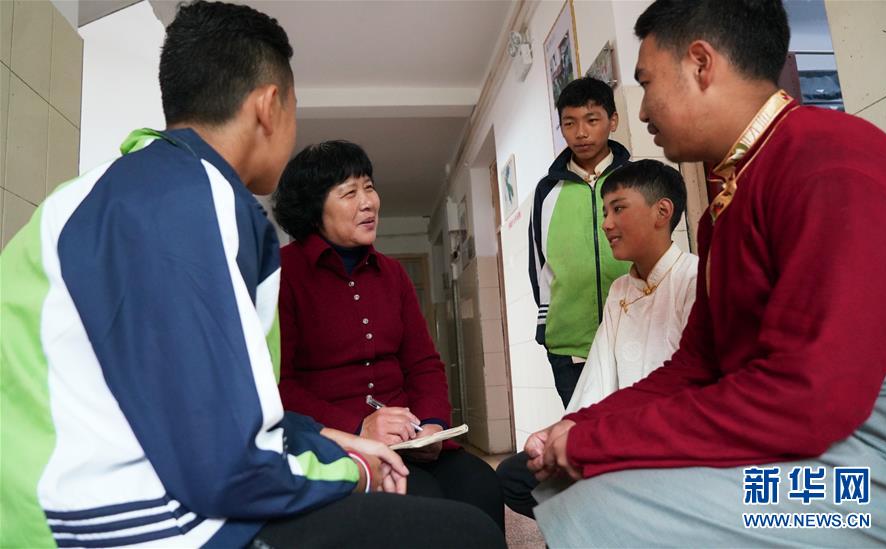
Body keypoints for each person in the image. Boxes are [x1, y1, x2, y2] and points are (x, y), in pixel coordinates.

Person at [0, 3, 505, 548]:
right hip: (105, 524)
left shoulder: (79, 198)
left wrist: (341, 438)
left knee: (467, 495)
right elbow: (228, 462)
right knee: (464, 534)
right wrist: (355, 465)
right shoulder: (202, 201)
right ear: (269, 106)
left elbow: (216, 408)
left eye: (369, 188)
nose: (367, 202)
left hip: (32, 509)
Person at [527, 1, 886, 546]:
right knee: (564, 481)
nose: (643, 111)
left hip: (874, 444)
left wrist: (599, 442)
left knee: (602, 504)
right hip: (795, 418)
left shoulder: (831, 160)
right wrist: (581, 426)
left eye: (647, 83)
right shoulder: (726, 203)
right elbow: (697, 365)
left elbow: (810, 397)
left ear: (701, 63)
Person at [274, 140, 505, 531]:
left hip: (410, 436)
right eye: (350, 193)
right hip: (339, 442)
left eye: (369, 187)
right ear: (314, 208)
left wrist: (432, 424)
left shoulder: (393, 274)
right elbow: (281, 386)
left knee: (481, 484)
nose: (368, 202)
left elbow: (423, 364)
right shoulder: (283, 275)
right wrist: (358, 427)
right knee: (424, 503)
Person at [499, 159, 698, 518]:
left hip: (669, 444)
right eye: (605, 211)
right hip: (616, 433)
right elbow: (598, 377)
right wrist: (561, 432)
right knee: (516, 475)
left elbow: (686, 392)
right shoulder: (621, 288)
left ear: (662, 212)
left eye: (618, 209)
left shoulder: (694, 280)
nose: (606, 223)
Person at [528, 77, 633, 407]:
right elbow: (538, 265)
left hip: (636, 335)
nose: (581, 133)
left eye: (591, 120)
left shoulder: (636, 180)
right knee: (585, 431)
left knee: (638, 428)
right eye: (570, 123)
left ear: (612, 121)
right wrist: (547, 329)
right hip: (570, 345)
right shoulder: (547, 191)